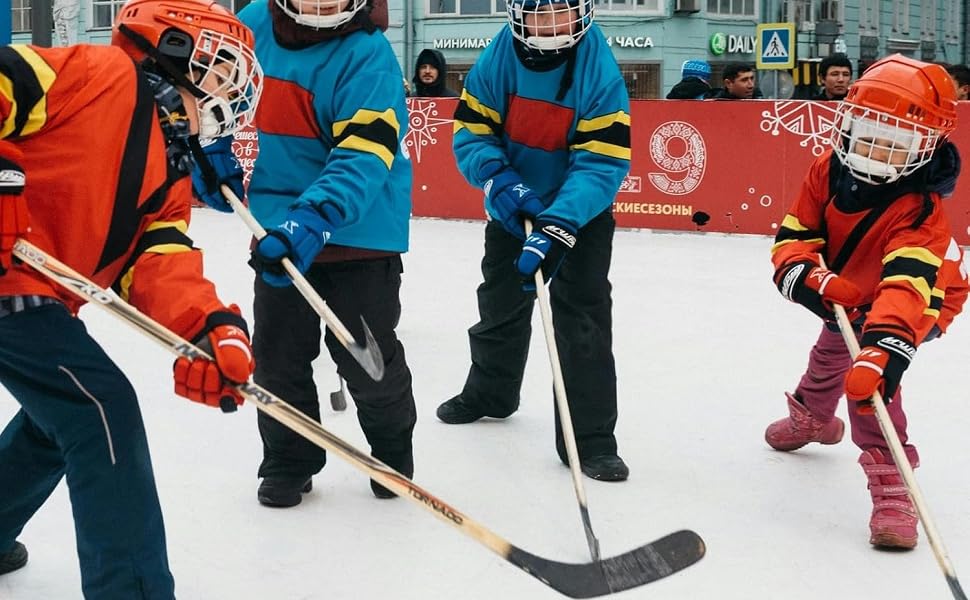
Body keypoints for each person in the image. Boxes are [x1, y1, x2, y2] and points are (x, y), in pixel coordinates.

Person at [0, 0, 263, 596]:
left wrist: (209, 328)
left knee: (61, 416)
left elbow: (157, 260)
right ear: (174, 49)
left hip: (35, 295)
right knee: (101, 408)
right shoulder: (100, 75)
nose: (232, 95)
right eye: (224, 73)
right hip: (10, 280)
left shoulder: (170, 170)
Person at [765, 54, 966, 550]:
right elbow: (795, 233)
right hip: (852, 289)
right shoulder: (828, 169)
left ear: (924, 147)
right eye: (867, 129)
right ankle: (813, 413)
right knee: (833, 346)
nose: (875, 149)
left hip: (920, 298)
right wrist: (808, 272)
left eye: (895, 142)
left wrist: (884, 345)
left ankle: (893, 481)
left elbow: (907, 284)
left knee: (869, 382)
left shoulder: (920, 210)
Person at [233, 0, 417, 506]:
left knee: (367, 358)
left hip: (359, 225)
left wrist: (314, 216)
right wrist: (205, 140)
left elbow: (365, 151)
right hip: (276, 220)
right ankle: (290, 460)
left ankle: (391, 451)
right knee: (277, 356)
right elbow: (210, 88)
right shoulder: (251, 26)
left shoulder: (368, 54)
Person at [438, 0, 631, 481]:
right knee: (499, 304)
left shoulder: (598, 68)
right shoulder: (498, 56)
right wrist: (500, 182)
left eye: (560, 14)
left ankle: (588, 439)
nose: (550, 26)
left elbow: (602, 160)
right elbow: (472, 131)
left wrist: (560, 223)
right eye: (540, 15)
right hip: (513, 206)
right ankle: (491, 392)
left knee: (581, 320)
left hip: (577, 216)